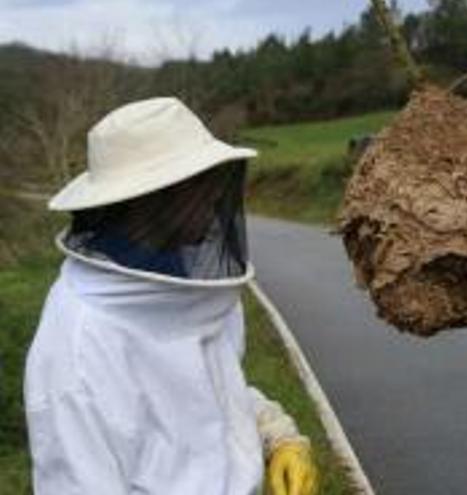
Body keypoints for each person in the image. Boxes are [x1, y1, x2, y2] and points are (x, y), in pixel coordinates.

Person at [25, 97, 319, 495]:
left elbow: (214, 392)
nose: (215, 196)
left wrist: (276, 434)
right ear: (152, 199)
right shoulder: (78, 346)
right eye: (199, 184)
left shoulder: (184, 287)